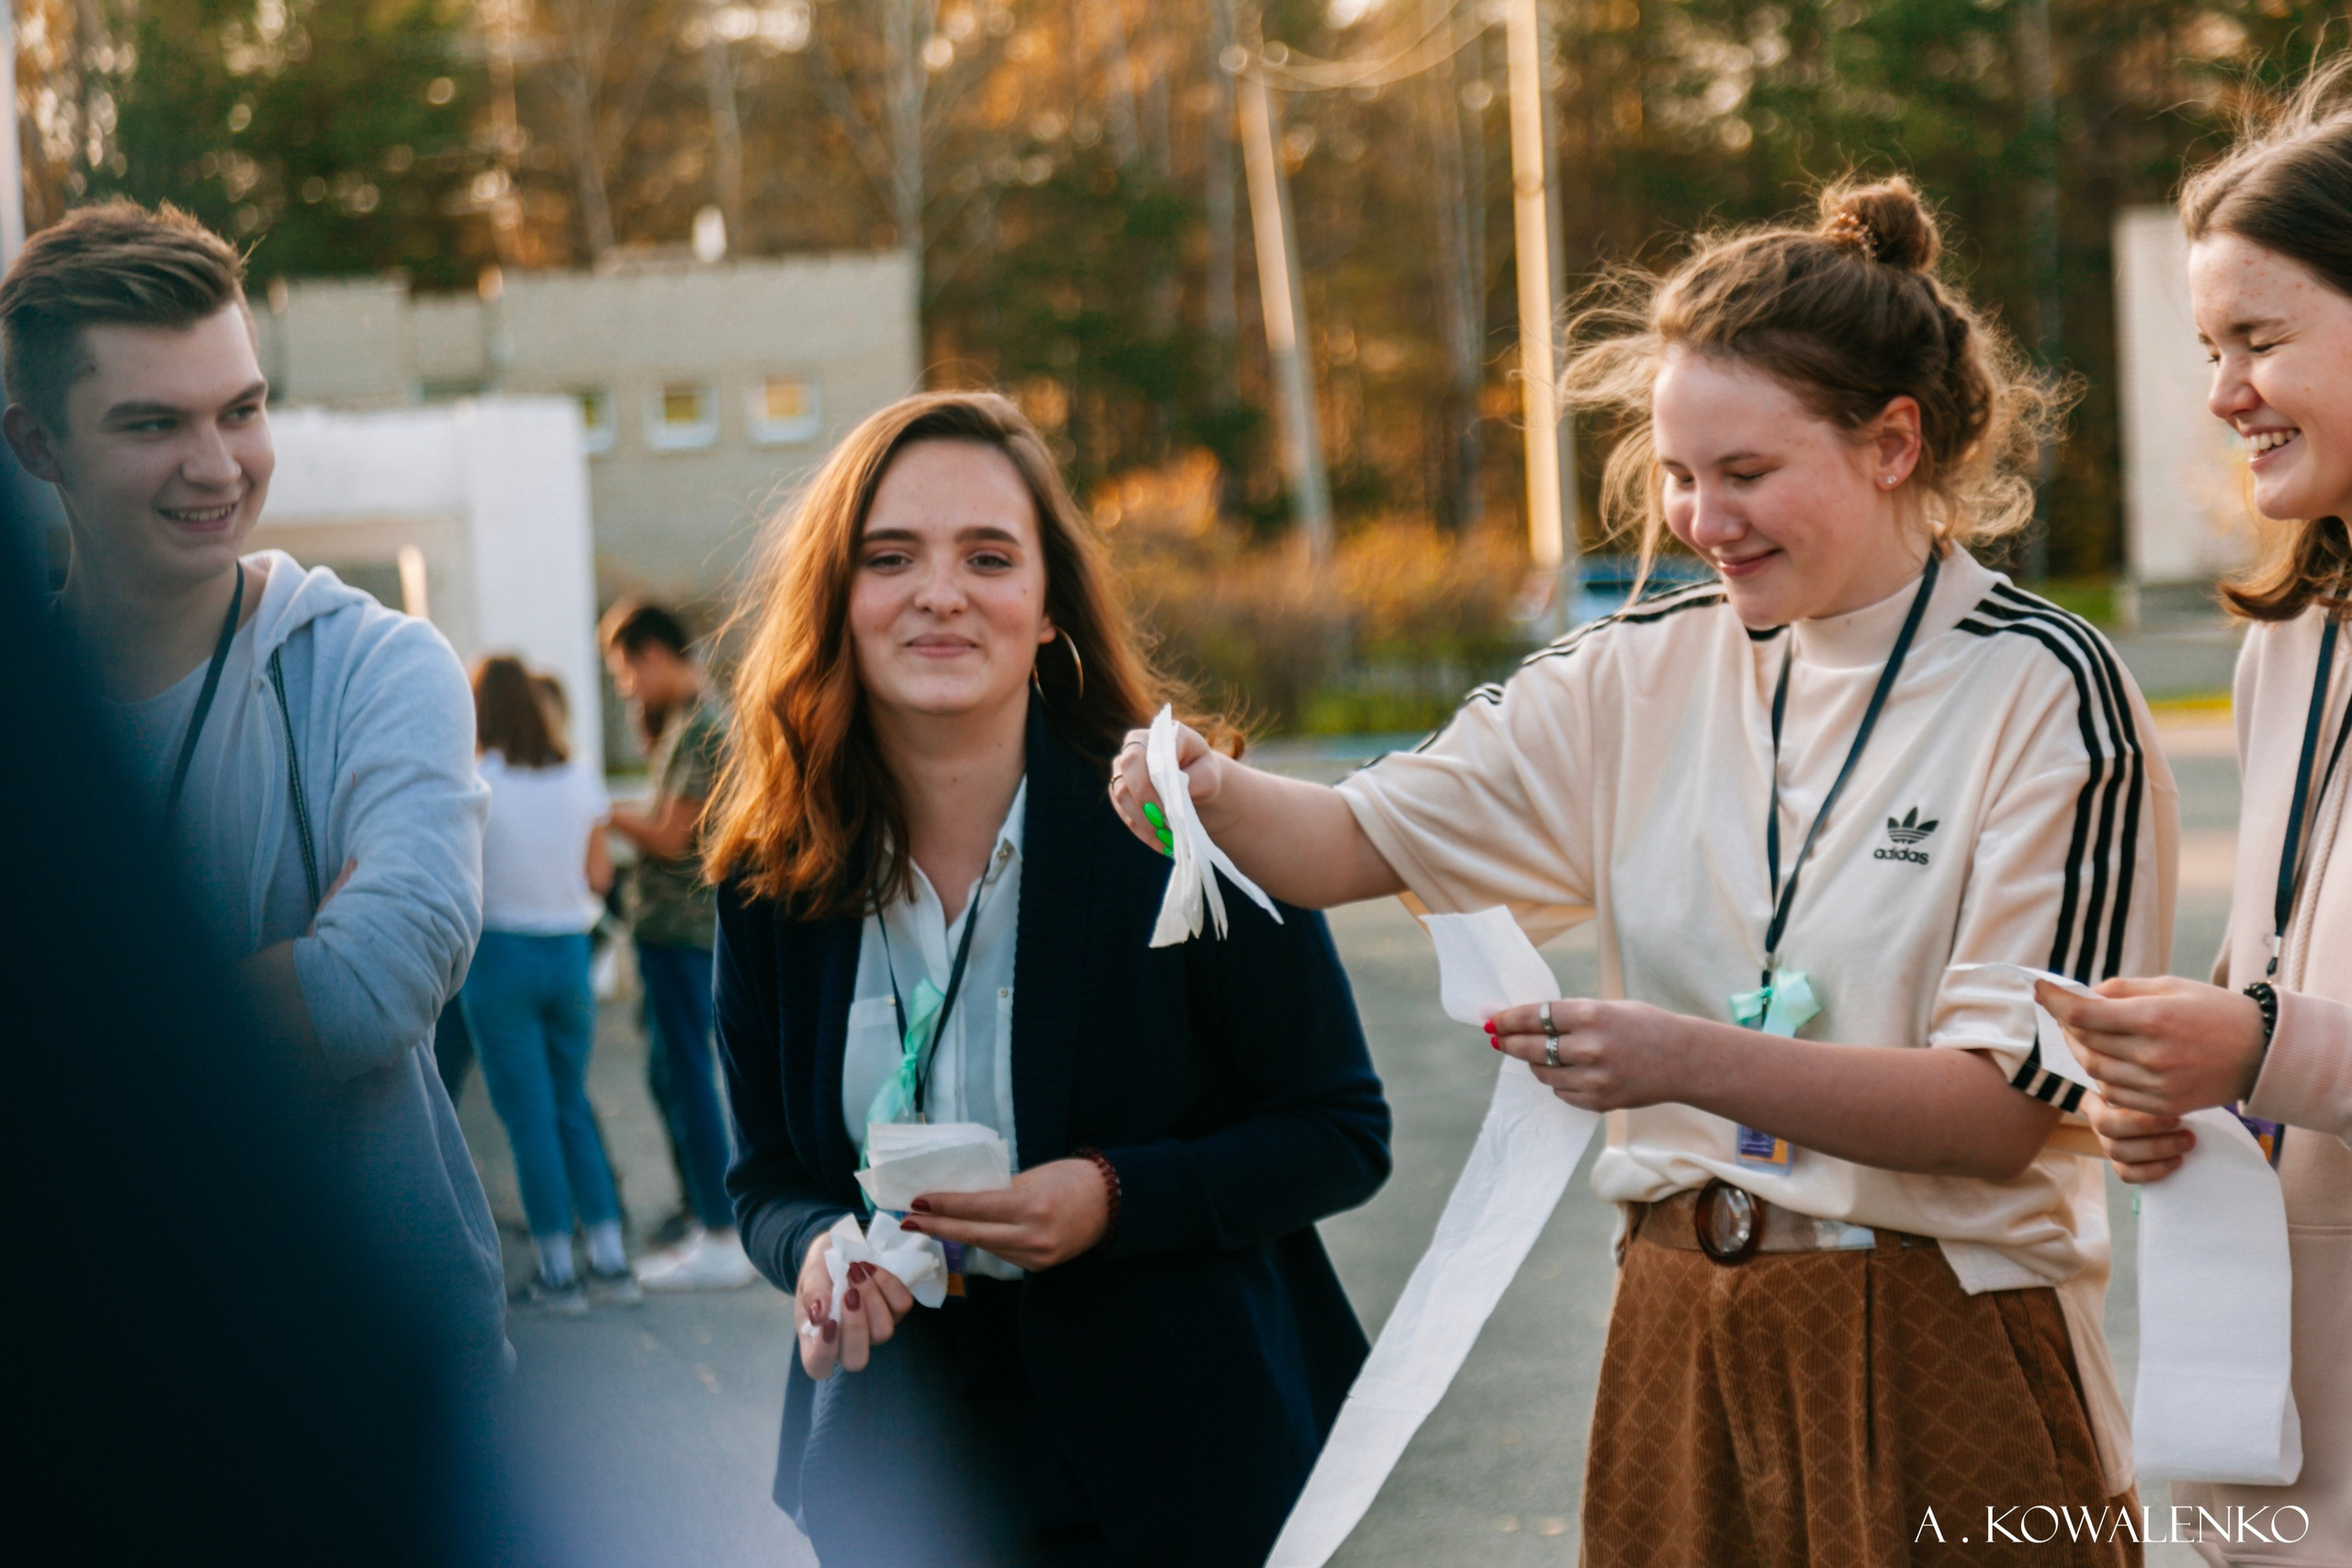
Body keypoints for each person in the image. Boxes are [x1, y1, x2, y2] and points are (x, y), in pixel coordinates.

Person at [1115, 180, 2178, 1565]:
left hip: (1945, 1336)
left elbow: (1995, 1114)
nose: (1698, 517)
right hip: (1676, 1329)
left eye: (1745, 472)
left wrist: (1681, 1058)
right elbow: (1348, 842)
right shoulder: (1633, 671)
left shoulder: (2047, 689)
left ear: (1892, 442)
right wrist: (1202, 794)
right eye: (1679, 473)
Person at [702, 390, 1393, 1567]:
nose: (940, 593)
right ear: (836, 598)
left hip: (1184, 1466)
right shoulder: (771, 876)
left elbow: (1340, 1130)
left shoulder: (1186, 825)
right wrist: (816, 1252)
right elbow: (767, 1181)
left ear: (1049, 606)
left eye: (987, 557)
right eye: (890, 558)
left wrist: (1114, 1197)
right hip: (905, 1478)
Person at [0, 200, 507, 1372]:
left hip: (375, 1386)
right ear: (37, 444)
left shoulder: (375, 666)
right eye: (153, 424)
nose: (218, 466)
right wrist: (281, 989)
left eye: (242, 409)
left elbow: (383, 972)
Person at [2043, 66, 2352, 1562]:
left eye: (2259, 340)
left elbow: (2289, 1030)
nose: (2223, 392)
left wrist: (2261, 1044)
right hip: (2269, 1429)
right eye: (2208, 347)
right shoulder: (2290, 646)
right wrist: (2174, 1080)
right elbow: (2272, 992)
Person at [461, 655, 639, 1314]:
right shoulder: (580, 775)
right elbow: (599, 876)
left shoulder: (476, 782)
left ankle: (557, 1273)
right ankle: (611, 1262)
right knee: (571, 1104)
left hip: (500, 955)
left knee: (528, 1117)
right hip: (569, 956)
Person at [601, 599, 757, 1289]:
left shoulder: (701, 728)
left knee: (690, 1077)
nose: (625, 688)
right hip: (674, 933)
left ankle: (721, 1229)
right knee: (673, 1074)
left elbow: (672, 837)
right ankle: (705, 1215)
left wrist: (602, 814)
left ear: (655, 654)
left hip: (685, 933)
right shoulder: (686, 722)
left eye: (625, 671)